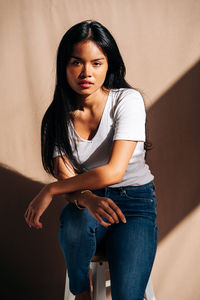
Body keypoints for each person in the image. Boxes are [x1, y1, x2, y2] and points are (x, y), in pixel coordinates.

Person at [24, 20, 158, 300]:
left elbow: (114, 172)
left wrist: (49, 190)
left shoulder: (127, 101)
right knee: (77, 218)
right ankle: (82, 292)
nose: (86, 72)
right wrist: (87, 198)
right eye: (77, 63)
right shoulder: (57, 119)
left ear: (109, 65)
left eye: (96, 63)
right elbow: (66, 178)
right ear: (65, 65)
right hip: (86, 204)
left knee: (128, 296)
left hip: (134, 206)